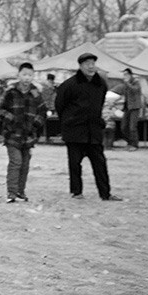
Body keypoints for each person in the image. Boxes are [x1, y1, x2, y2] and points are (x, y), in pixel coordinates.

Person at [54, 52, 122, 201]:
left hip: (94, 130)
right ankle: (76, 192)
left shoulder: (100, 84)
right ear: (80, 66)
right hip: (75, 130)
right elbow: (59, 105)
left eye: (93, 63)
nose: (91, 67)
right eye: (87, 64)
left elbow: (101, 104)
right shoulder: (69, 85)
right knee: (75, 163)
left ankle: (105, 193)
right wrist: (68, 121)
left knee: (100, 163)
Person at [0, 62, 45, 203]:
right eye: (24, 74)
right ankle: (11, 193)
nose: (26, 78)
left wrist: (36, 123)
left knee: (25, 164)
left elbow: (42, 111)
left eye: (29, 75)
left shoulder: (36, 93)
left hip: (28, 136)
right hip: (12, 134)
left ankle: (20, 192)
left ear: (33, 76)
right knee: (16, 162)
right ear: (18, 75)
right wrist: (10, 119)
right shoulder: (10, 92)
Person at [119, 68, 143, 151]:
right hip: (127, 107)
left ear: (130, 74)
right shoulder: (126, 83)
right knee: (123, 127)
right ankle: (129, 142)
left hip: (135, 107)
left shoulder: (136, 81)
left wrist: (127, 83)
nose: (124, 76)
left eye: (126, 74)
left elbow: (135, 90)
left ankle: (134, 145)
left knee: (132, 127)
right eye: (124, 74)